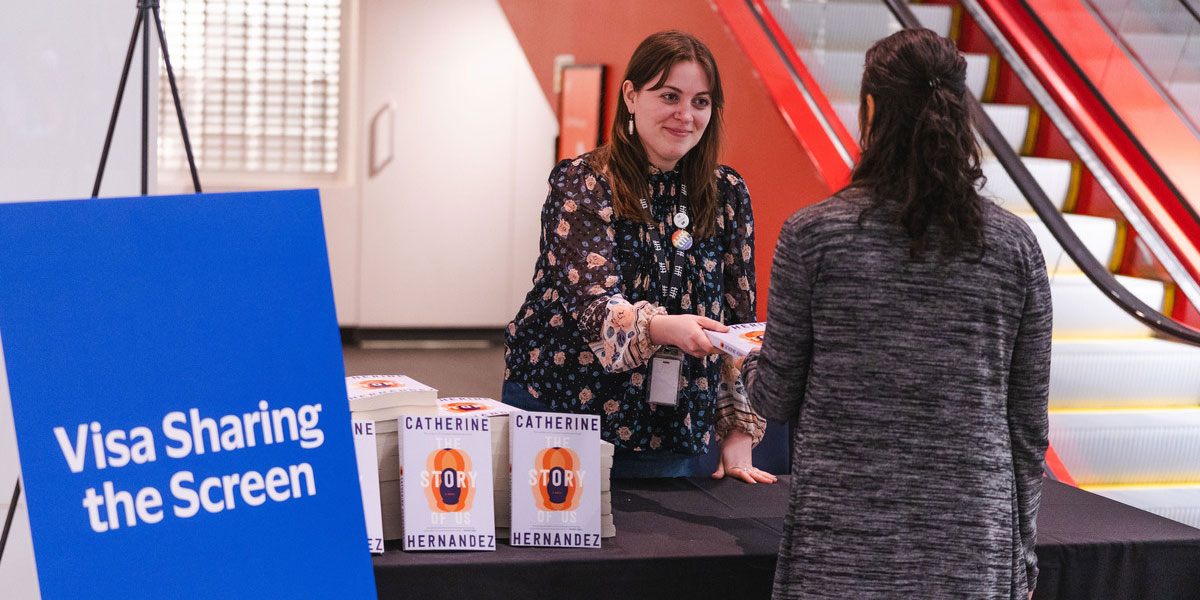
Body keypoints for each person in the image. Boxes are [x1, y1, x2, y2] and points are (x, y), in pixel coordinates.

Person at [739, 29, 1051, 598]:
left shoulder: (814, 236)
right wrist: (1021, 554)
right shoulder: (1015, 246)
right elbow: (1027, 427)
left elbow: (775, 399)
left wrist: (744, 361)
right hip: (971, 541)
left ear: (872, 110)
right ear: (961, 115)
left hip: (841, 540)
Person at [503, 30, 775, 482]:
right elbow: (594, 308)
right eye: (670, 96)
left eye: (701, 102)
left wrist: (738, 433)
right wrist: (665, 327)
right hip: (567, 415)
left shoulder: (727, 193)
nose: (685, 115)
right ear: (631, 95)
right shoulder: (584, 182)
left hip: (671, 426)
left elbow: (738, 325)